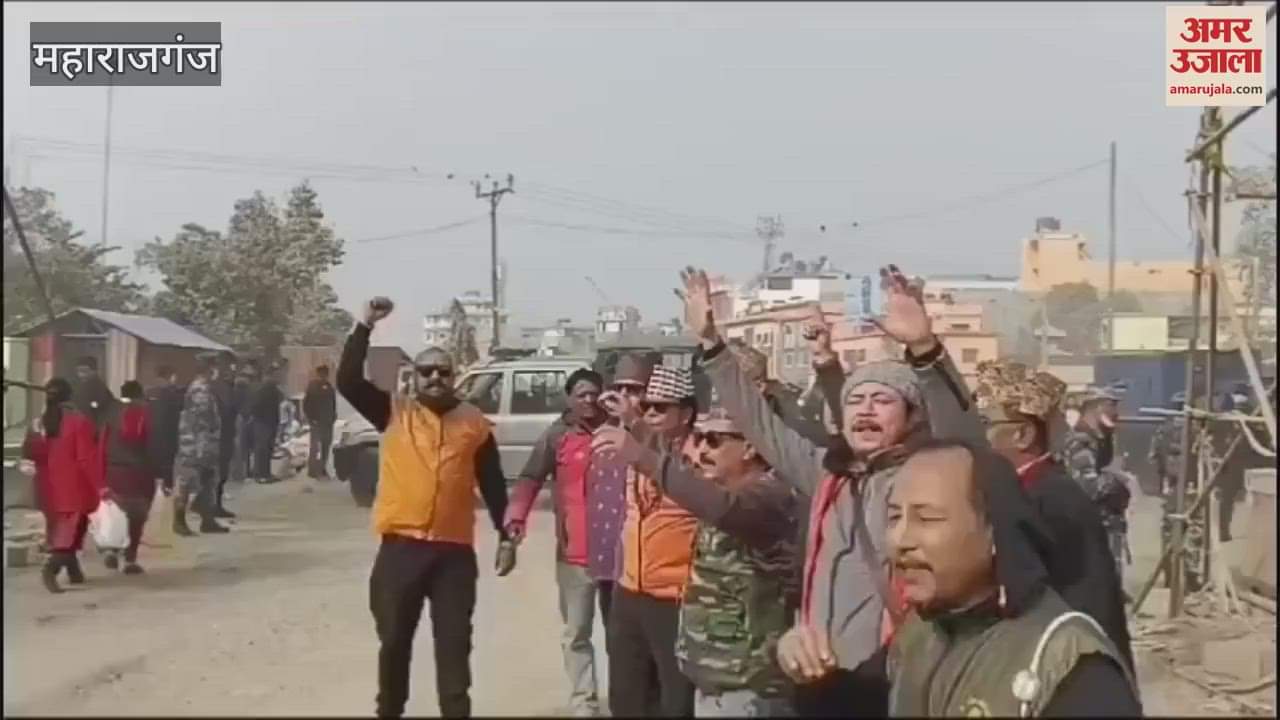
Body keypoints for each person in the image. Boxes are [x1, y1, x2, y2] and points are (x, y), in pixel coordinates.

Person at [678, 264, 982, 716]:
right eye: (856, 401)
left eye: (882, 401)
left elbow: (966, 443)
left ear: (911, 416)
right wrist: (711, 342)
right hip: (818, 677)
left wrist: (924, 348)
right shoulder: (827, 473)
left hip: (893, 680)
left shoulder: (921, 479)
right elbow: (759, 423)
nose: (865, 410)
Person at [337, 296, 517, 719]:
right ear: (414, 378)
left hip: (453, 554)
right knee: (395, 640)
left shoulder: (473, 423)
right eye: (426, 371)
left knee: (454, 646)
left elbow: (492, 485)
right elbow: (347, 380)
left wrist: (508, 536)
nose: (435, 378)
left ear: (454, 378)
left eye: (443, 372)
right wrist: (365, 325)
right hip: (401, 549)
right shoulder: (394, 411)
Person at [884, 439, 1141, 717]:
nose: (900, 539)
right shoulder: (919, 635)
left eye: (927, 518)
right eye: (894, 517)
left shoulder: (1067, 665)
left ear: (994, 532)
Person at [593, 408, 800, 718]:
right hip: (712, 678)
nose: (702, 451)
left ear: (751, 447)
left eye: (714, 441)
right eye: (699, 439)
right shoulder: (722, 489)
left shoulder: (768, 497)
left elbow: (724, 509)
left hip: (751, 687)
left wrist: (641, 457)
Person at [971, 360, 1133, 670]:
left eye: (986, 425)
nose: (980, 440)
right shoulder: (1028, 489)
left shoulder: (1047, 499)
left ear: (1022, 435)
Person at [503, 368, 609, 717]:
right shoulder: (557, 436)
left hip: (618, 557)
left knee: (624, 637)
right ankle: (584, 702)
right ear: (569, 398)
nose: (589, 400)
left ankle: (631, 700)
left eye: (595, 393)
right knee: (577, 633)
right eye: (582, 394)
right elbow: (531, 477)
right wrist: (516, 520)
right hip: (573, 555)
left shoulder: (619, 432)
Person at [607, 365, 701, 718]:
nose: (651, 415)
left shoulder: (699, 455)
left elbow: (672, 468)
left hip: (676, 596)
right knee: (626, 697)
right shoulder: (640, 449)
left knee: (675, 701)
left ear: (687, 413)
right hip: (630, 590)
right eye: (647, 407)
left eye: (661, 408)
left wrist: (636, 426)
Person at [586, 354, 654, 626]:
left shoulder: (660, 437)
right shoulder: (602, 434)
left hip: (649, 569)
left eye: (634, 390)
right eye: (619, 389)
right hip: (609, 560)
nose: (624, 397)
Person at [22, 378, 106, 594]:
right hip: (72, 486)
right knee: (70, 534)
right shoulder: (78, 421)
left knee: (60, 531)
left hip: (45, 486)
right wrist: (100, 485)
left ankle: (74, 571)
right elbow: (86, 458)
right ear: (70, 396)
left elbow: (30, 454)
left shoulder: (38, 423)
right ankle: (51, 570)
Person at [1062, 386, 1131, 584]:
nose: (1116, 413)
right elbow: (1088, 488)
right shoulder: (1082, 440)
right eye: (1111, 406)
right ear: (1096, 408)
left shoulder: (1098, 439)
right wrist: (1116, 481)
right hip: (1087, 527)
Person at [100, 380, 156, 575]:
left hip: (113, 470)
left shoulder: (111, 411)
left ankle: (112, 550)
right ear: (140, 395)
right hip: (139, 473)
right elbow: (153, 443)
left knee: (114, 514)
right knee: (137, 517)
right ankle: (130, 558)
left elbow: (102, 442)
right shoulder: (146, 413)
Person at [174, 353, 228, 536]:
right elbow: (203, 419)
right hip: (196, 445)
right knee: (188, 482)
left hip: (204, 444)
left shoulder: (205, 388)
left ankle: (207, 519)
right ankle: (179, 521)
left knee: (208, 481)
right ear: (209, 369)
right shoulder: (200, 390)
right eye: (215, 367)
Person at [146, 365, 185, 496]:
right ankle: (167, 490)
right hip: (168, 434)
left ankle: (151, 491)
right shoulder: (172, 393)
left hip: (150, 434)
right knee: (167, 464)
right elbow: (180, 409)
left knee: (152, 464)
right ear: (171, 376)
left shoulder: (148, 391)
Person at [211, 357, 240, 519]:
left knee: (221, 473)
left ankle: (216, 504)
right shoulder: (219, 388)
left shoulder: (225, 387)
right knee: (217, 473)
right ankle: (212, 506)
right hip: (218, 437)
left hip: (224, 435)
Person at [248, 362, 285, 484]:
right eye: (277, 374)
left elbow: (281, 399)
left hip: (270, 422)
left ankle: (266, 473)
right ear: (271, 375)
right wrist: (260, 418)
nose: (280, 376)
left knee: (268, 449)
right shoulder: (264, 388)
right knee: (262, 449)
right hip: (263, 422)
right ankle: (260, 474)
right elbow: (256, 405)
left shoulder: (273, 388)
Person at [304, 364, 338, 480]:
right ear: (318, 374)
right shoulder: (313, 386)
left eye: (325, 374)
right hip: (317, 421)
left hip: (328, 421)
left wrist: (333, 416)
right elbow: (307, 404)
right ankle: (314, 471)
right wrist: (311, 418)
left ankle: (322, 469)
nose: (324, 376)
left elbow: (332, 404)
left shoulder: (329, 386)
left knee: (325, 446)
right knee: (316, 447)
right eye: (322, 373)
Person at [72, 356, 116, 433]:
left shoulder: (99, 387)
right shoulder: (79, 387)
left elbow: (103, 406)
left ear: (94, 371)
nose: (81, 375)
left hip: (94, 428)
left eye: (84, 371)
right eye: (79, 371)